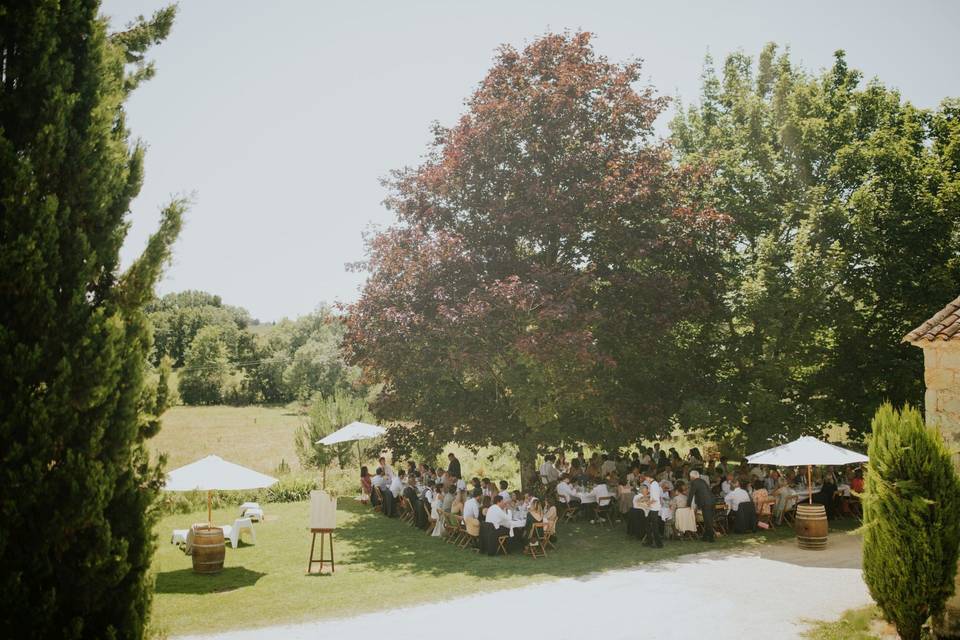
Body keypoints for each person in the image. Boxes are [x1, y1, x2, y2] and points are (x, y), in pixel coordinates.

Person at [688, 470, 714, 541]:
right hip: (710, 501)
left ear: (692, 477)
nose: (690, 478)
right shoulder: (702, 481)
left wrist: (688, 505)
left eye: (690, 477)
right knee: (708, 520)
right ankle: (705, 537)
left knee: (707, 520)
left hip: (705, 503)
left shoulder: (694, 482)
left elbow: (691, 494)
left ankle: (711, 537)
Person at [643, 469, 663, 548]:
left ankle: (658, 544)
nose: (646, 479)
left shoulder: (654, 485)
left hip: (654, 508)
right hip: (653, 507)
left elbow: (654, 499)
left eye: (646, 478)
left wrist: (647, 503)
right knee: (647, 524)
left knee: (654, 526)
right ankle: (650, 540)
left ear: (649, 477)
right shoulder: (654, 484)